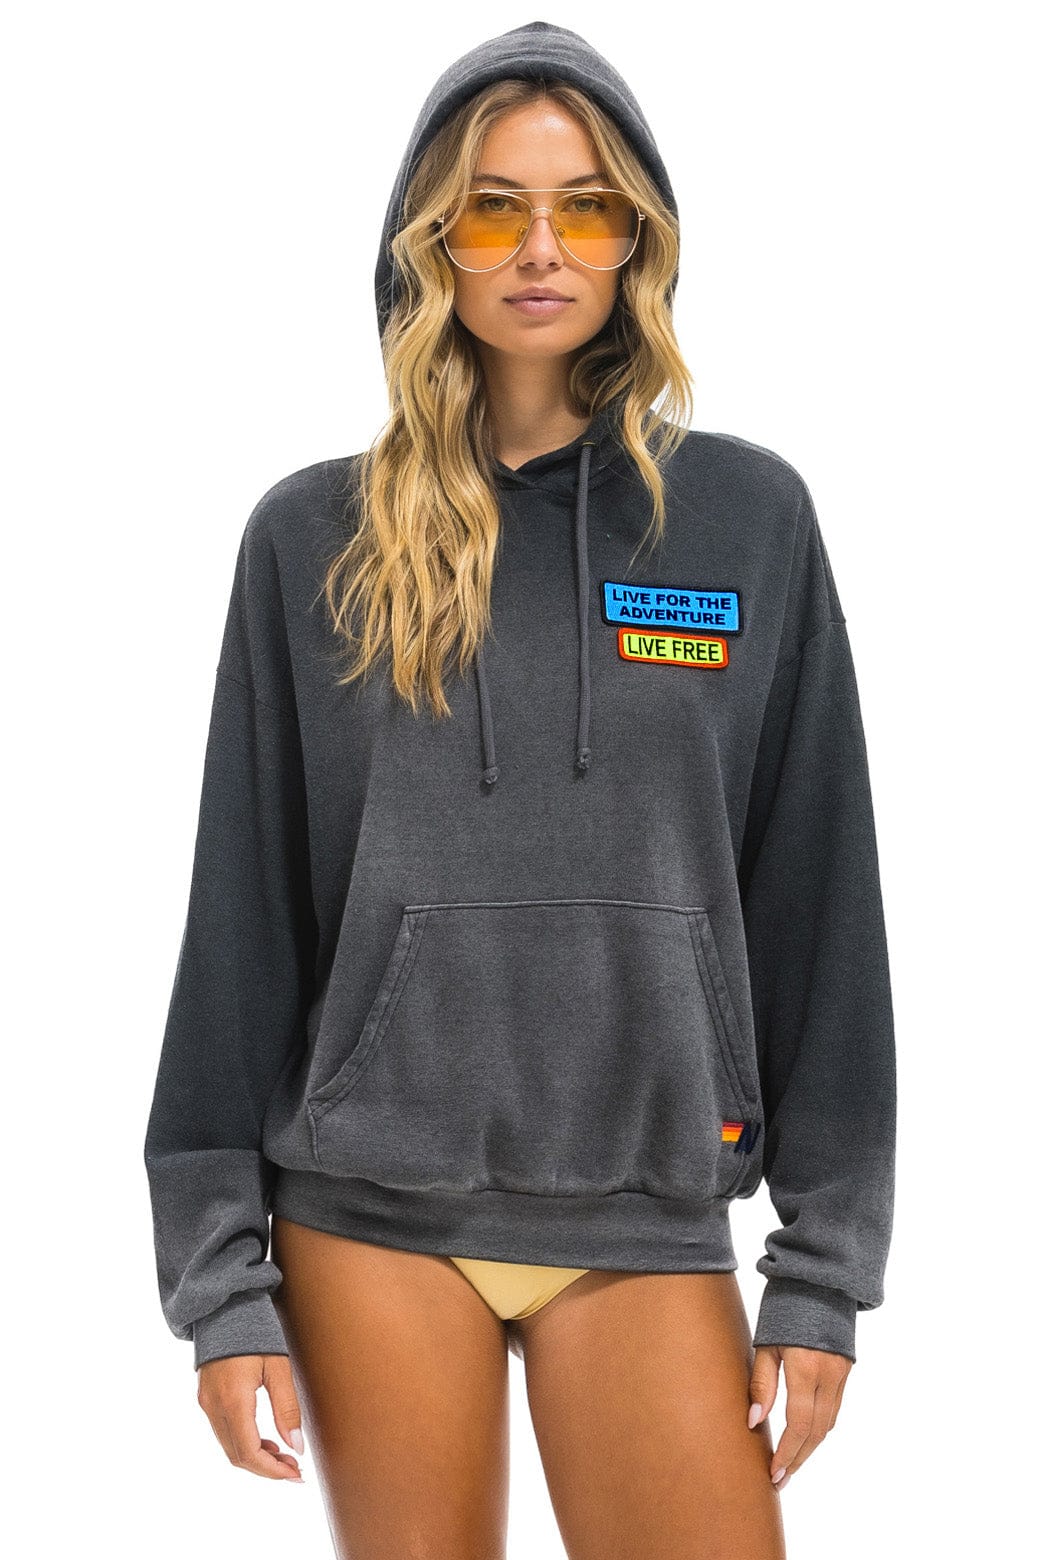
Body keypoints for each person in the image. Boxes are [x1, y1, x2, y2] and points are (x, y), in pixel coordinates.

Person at [143, 19, 897, 1559]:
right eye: (494, 208)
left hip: (646, 1206)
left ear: (638, 237)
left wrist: (824, 1267)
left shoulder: (746, 521)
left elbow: (821, 903)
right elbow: (240, 927)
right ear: (433, 238)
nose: (540, 249)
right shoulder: (311, 541)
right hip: (366, 1212)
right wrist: (220, 1284)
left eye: (584, 207)